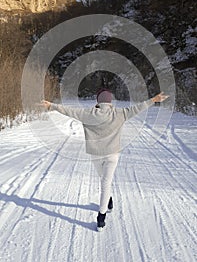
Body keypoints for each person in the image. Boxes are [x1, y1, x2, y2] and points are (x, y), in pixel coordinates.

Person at [40, 90, 169, 231]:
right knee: (105, 181)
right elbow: (138, 108)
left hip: (96, 154)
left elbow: (68, 111)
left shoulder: (88, 114)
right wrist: (154, 99)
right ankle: (108, 200)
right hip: (112, 154)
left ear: (98, 102)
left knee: (104, 181)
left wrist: (51, 105)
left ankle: (101, 217)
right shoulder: (120, 113)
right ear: (110, 102)